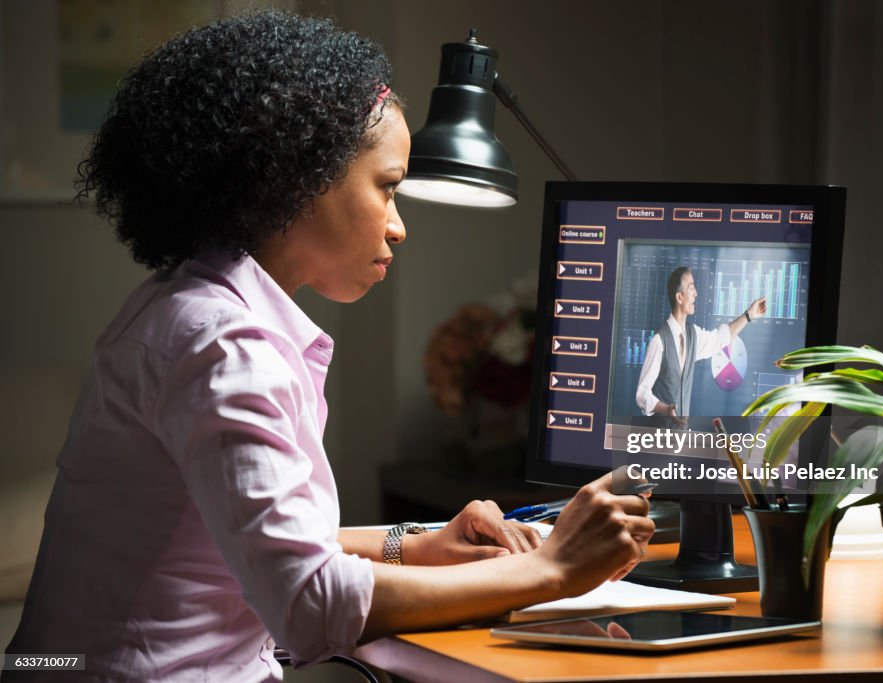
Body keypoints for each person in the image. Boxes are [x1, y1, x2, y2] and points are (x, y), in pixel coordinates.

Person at [3, 11, 653, 682]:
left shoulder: (188, 307)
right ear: (298, 178)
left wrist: (421, 544)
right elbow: (310, 604)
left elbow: (240, 537)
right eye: (388, 187)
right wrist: (549, 570)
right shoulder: (225, 347)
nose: (399, 227)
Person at [635, 266, 766, 426]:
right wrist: (665, 409)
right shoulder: (659, 341)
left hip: (680, 438)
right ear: (679, 297)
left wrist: (748, 315)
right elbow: (642, 394)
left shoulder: (693, 335)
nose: (696, 293)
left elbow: (721, 338)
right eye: (691, 288)